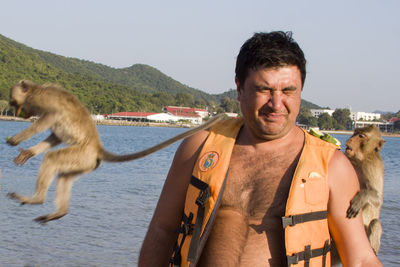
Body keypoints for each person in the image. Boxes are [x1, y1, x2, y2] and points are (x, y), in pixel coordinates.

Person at [139, 31, 382, 267]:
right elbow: (162, 230)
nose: (276, 104)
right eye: (264, 90)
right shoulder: (199, 147)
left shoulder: (332, 166)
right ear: (239, 88)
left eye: (288, 91)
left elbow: (360, 259)